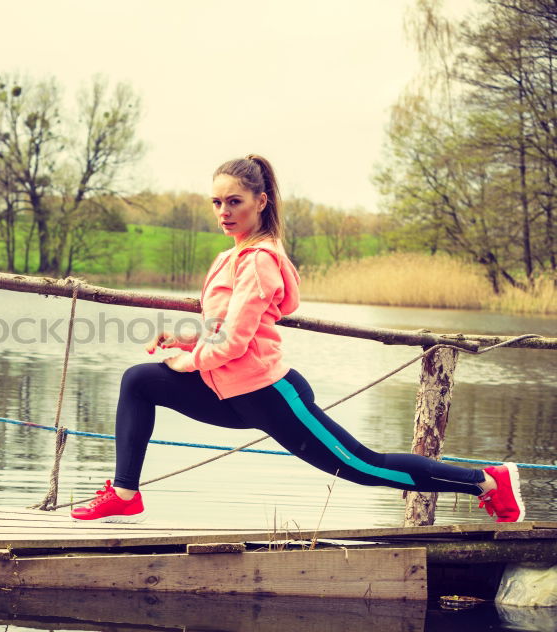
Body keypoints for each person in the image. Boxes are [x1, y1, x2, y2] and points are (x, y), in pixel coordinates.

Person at [71, 154, 525, 524]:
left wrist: (184, 363)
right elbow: (225, 328)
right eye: (216, 202)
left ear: (261, 201)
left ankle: (486, 481)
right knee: (138, 380)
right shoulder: (228, 258)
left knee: (362, 467)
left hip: (269, 394)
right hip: (229, 392)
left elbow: (234, 343)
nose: (224, 212)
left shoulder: (259, 262)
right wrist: (187, 339)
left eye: (234, 202)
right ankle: (126, 492)